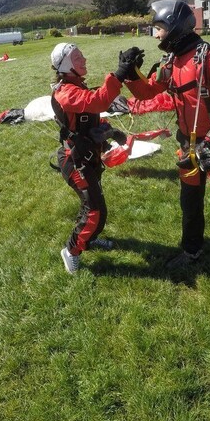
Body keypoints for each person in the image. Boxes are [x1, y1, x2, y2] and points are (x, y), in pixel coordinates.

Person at [119, 0, 210, 274]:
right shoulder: (170, 60)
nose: (156, 35)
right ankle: (192, 251)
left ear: (175, 28)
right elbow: (149, 92)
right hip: (187, 144)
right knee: (189, 202)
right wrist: (129, 72)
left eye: (159, 28)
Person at [50, 42, 131, 274]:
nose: (84, 60)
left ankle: (90, 239)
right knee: (93, 210)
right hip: (75, 160)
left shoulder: (77, 86)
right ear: (66, 66)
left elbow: (91, 120)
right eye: (78, 58)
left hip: (88, 156)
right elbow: (97, 102)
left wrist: (112, 132)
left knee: (97, 207)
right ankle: (71, 250)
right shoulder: (66, 92)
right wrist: (119, 75)